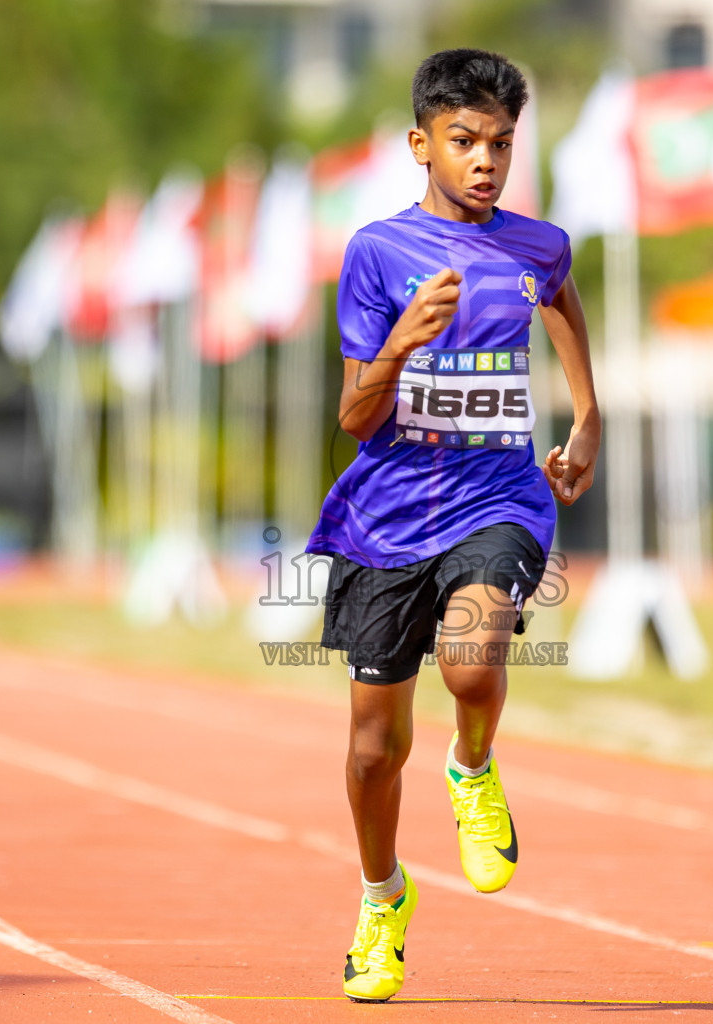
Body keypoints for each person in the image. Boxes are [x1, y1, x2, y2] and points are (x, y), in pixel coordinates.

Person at [306, 47, 600, 1003]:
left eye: (502, 143)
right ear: (419, 143)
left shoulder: (536, 243)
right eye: (465, 141)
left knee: (474, 663)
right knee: (369, 748)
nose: (486, 161)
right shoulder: (377, 254)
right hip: (387, 515)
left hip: (500, 497)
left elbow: (558, 296)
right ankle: (382, 898)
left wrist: (587, 411)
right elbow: (354, 419)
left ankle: (472, 767)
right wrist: (400, 342)